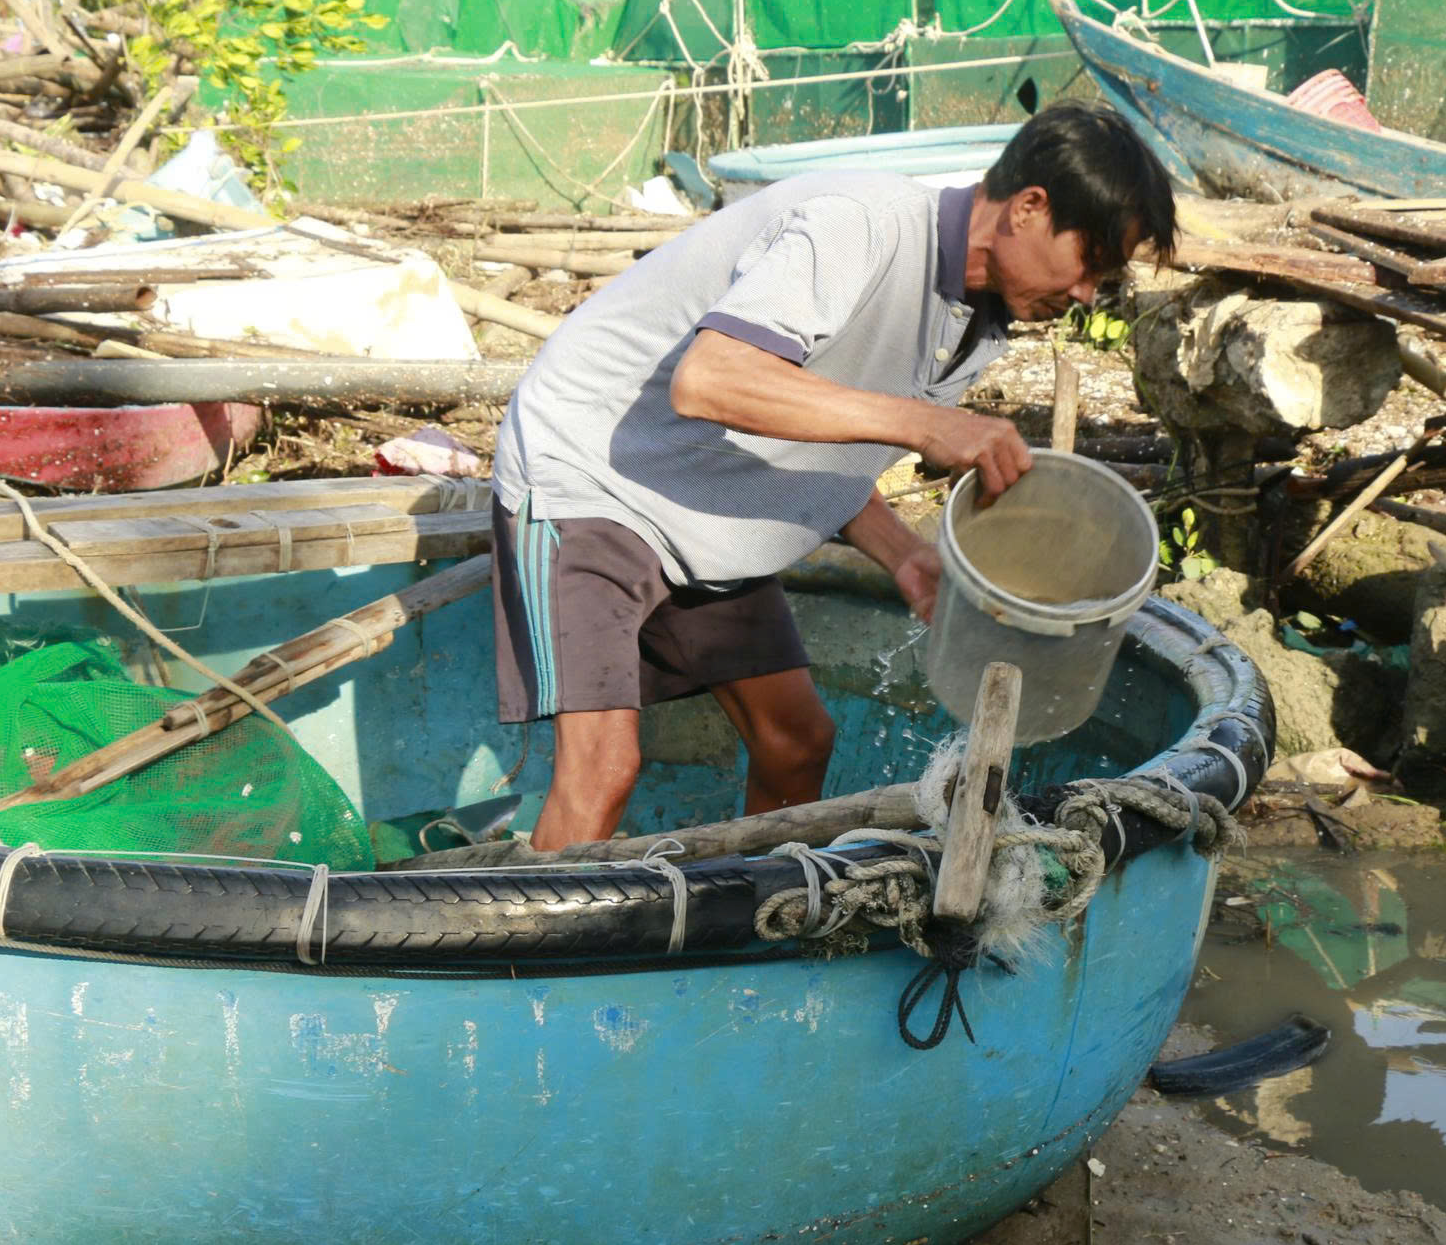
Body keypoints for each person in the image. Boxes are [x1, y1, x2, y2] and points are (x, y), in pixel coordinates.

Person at [489, 103, 1178, 849]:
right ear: (1029, 208)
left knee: (797, 742)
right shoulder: (861, 224)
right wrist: (924, 423)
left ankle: (745, 928)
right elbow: (711, 381)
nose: (1085, 295)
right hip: (590, 471)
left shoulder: (980, 321)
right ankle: (537, 964)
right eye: (1093, 261)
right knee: (603, 770)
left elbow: (829, 440)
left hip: (707, 493)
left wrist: (905, 554)